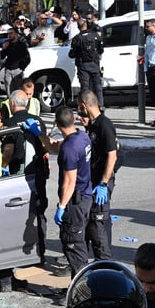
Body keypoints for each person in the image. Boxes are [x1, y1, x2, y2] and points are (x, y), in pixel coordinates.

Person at [5, 91, 49, 263]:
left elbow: (8, 150)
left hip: (19, 174)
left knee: (18, 213)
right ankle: (41, 252)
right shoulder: (38, 121)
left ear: (12, 104)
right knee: (39, 212)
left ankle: (19, 255)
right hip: (38, 172)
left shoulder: (10, 123)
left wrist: (3, 168)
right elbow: (45, 145)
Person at [77, 91, 118, 261]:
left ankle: (104, 262)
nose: (78, 111)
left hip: (101, 181)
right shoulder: (92, 125)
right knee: (90, 223)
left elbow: (112, 155)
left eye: (79, 107)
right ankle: (87, 259)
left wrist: (104, 182)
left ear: (84, 106)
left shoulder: (104, 125)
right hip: (91, 181)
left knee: (98, 223)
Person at [52, 106, 92, 278]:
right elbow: (56, 147)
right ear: (74, 119)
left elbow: (69, 181)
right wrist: (39, 135)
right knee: (78, 244)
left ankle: (81, 290)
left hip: (74, 202)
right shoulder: (82, 137)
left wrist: (61, 206)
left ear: (56, 123)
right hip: (85, 197)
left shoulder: (69, 148)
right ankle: (79, 284)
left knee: (74, 246)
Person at [69, 16, 104, 108]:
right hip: (95, 65)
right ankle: (100, 105)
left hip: (83, 66)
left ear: (78, 27)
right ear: (86, 25)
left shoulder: (77, 39)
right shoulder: (96, 36)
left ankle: (86, 107)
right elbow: (101, 50)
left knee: (85, 88)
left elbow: (72, 54)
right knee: (97, 86)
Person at [0, 27, 29, 93]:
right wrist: (4, 48)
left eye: (11, 33)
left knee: (18, 91)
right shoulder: (8, 44)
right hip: (8, 70)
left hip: (17, 70)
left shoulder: (22, 45)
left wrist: (22, 68)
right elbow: (2, 57)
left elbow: (27, 58)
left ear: (16, 34)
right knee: (9, 91)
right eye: (8, 34)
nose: (9, 35)